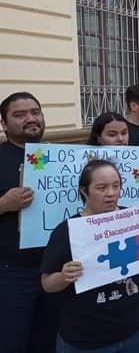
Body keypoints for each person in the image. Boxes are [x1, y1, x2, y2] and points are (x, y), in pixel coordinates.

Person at [41, 159, 139, 353]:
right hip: (87, 339)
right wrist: (65, 276)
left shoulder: (132, 219)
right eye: (101, 187)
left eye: (116, 186)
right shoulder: (66, 231)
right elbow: (47, 283)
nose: (111, 193)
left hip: (137, 330)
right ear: (84, 190)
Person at [0, 92, 62, 352]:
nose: (30, 118)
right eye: (20, 114)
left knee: (49, 340)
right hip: (11, 272)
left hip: (56, 268)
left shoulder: (59, 156)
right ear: (3, 123)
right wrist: (4, 204)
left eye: (35, 112)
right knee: (11, 342)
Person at [87, 112, 139, 299]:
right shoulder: (85, 164)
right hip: (98, 237)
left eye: (124, 133)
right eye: (112, 134)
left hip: (131, 232)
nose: (120, 139)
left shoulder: (138, 161)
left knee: (134, 287)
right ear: (99, 137)